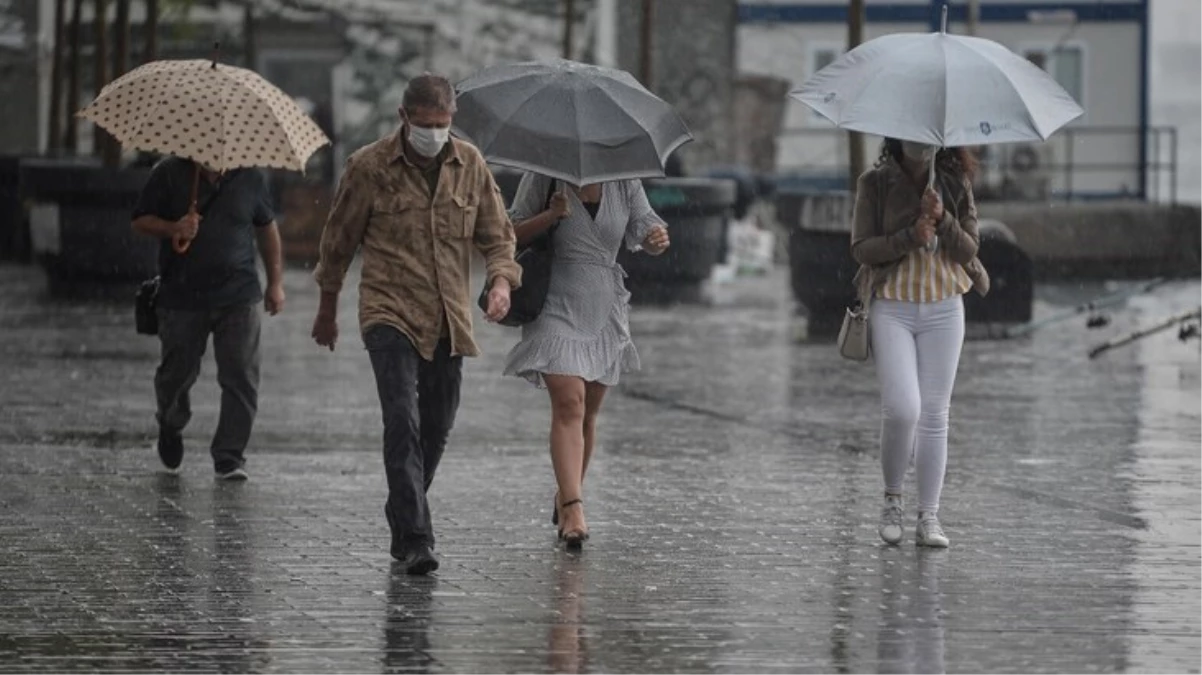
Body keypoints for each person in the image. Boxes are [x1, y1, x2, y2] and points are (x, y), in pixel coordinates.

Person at [311, 74, 521, 575]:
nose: (433, 133)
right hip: (389, 310)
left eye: (443, 124)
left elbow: (498, 237)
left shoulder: (469, 164)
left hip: (449, 316)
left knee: (437, 427)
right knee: (401, 418)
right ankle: (415, 539)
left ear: (453, 120)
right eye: (425, 124)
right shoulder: (369, 167)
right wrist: (326, 308)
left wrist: (500, 283)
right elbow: (338, 242)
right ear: (404, 118)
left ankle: (403, 505)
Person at [503, 171, 670, 550]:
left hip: (603, 305)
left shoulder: (625, 179)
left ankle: (566, 492)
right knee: (569, 403)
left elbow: (646, 228)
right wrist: (550, 216)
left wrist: (656, 240)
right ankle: (575, 507)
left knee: (588, 413)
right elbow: (508, 233)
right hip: (554, 303)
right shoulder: (543, 175)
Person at [849, 138, 990, 548]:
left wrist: (943, 218)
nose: (920, 146)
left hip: (945, 306)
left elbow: (969, 248)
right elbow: (861, 248)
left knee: (934, 414)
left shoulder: (954, 180)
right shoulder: (873, 182)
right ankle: (892, 498)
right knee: (901, 408)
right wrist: (911, 234)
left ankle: (929, 515)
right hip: (892, 305)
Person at [131, 156, 285, 481]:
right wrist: (174, 227)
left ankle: (230, 456)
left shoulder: (252, 178)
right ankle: (170, 423)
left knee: (241, 375)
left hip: (239, 294)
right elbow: (140, 221)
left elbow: (267, 229)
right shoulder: (169, 173)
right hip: (182, 296)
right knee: (177, 373)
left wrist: (275, 283)